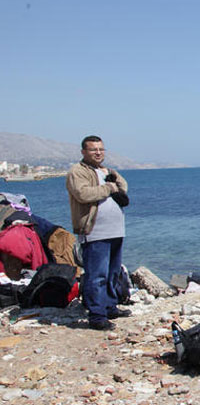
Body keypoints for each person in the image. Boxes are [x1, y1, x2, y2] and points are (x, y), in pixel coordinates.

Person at [66, 135, 130, 330]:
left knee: (112, 272)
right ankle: (97, 315)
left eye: (101, 149)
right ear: (83, 152)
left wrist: (113, 182)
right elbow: (83, 194)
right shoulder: (77, 172)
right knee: (97, 275)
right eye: (93, 149)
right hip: (94, 231)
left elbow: (124, 188)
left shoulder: (108, 171)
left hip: (116, 230)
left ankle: (110, 305)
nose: (98, 152)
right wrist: (109, 187)